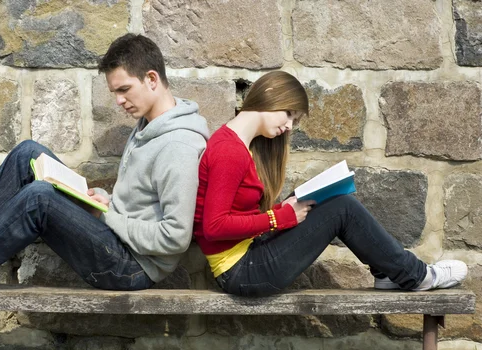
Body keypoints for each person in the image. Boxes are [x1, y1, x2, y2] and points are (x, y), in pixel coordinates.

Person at [0, 33, 209, 289]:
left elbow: (175, 237)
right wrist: (105, 200)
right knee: (28, 153)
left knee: (38, 198)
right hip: (117, 241)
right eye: (114, 92)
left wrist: (105, 215)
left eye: (124, 89)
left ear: (152, 79)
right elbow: (142, 203)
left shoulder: (178, 145)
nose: (119, 101)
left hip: (131, 268)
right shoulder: (148, 126)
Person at [193, 70, 467, 296]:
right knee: (342, 209)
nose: (289, 126)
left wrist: (281, 210)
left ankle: (388, 273)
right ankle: (417, 276)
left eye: (294, 120)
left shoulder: (239, 146)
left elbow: (236, 215)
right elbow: (214, 227)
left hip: (249, 255)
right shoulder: (229, 152)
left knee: (323, 200)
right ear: (271, 97)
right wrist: (278, 218)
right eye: (289, 114)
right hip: (242, 270)